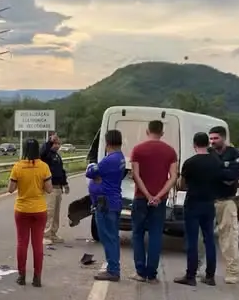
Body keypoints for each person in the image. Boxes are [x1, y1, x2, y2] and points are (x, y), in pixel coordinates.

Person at [128, 120, 178, 283]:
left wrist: (148, 195)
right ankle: (152, 273)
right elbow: (173, 177)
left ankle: (140, 272)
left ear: (147, 131)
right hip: (160, 201)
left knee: (137, 234)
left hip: (141, 198)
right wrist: (158, 196)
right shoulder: (170, 151)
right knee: (156, 235)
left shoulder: (138, 150)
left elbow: (136, 175)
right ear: (162, 133)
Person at [174, 132, 221, 286]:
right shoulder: (216, 161)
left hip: (193, 203)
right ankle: (210, 275)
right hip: (209, 203)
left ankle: (191, 275)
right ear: (207, 144)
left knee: (193, 240)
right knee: (209, 240)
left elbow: (181, 185)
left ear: (194, 145)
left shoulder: (190, 163)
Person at [8, 138, 53, 287]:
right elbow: (49, 189)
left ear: (24, 150)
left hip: (22, 209)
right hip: (39, 210)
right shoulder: (44, 167)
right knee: (37, 244)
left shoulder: (17, 167)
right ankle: (37, 278)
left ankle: (21, 276)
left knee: (22, 243)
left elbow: (11, 189)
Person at [86, 129, 126, 282]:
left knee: (107, 237)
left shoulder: (110, 160)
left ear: (107, 143)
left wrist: (94, 171)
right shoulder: (120, 158)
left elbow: (90, 171)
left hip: (105, 203)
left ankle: (113, 270)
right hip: (113, 201)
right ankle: (113, 268)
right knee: (112, 237)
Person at [208, 125, 239, 284]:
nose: (212, 141)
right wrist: (222, 168)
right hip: (208, 199)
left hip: (227, 200)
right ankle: (203, 271)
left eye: (215, 138)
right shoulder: (208, 153)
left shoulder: (234, 153)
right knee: (204, 238)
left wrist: (216, 171)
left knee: (229, 238)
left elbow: (231, 177)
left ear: (223, 138)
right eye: (210, 139)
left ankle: (232, 271)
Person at [39, 133, 69, 245]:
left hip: (58, 187)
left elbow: (61, 171)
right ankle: (45, 234)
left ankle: (53, 233)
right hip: (49, 187)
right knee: (49, 212)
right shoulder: (47, 155)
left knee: (56, 213)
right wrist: (50, 141)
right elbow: (42, 152)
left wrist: (65, 184)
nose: (57, 145)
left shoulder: (57, 156)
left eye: (58, 143)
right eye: (55, 143)